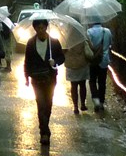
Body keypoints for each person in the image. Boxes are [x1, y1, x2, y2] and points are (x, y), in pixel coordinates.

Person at [23, 16, 65, 144]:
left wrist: (55, 62)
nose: (40, 30)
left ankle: (45, 127)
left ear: (46, 27)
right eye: (38, 28)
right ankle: (44, 133)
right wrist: (26, 77)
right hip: (36, 79)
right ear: (35, 28)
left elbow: (62, 58)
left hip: (50, 78)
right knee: (40, 104)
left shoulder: (54, 42)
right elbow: (27, 61)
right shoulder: (30, 43)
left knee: (48, 105)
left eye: (42, 27)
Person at [87, 18, 113, 111]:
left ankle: (96, 101)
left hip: (93, 60)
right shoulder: (107, 31)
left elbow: (88, 46)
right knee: (102, 82)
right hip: (104, 60)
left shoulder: (89, 32)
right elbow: (110, 44)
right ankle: (101, 102)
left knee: (92, 81)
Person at [64, 35, 89, 113]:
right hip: (82, 64)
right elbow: (89, 50)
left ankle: (75, 107)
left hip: (71, 66)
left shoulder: (66, 40)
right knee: (82, 85)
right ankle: (82, 104)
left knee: (73, 86)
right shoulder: (82, 39)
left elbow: (62, 51)